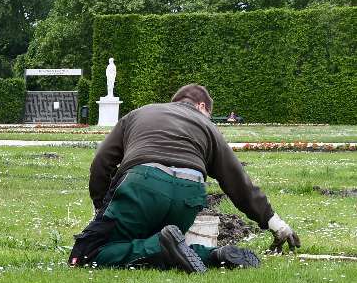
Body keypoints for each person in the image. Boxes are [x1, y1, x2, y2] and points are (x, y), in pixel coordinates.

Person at [71, 84, 299, 273]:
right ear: (202, 106)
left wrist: (101, 208)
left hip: (142, 184)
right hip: (189, 194)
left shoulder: (140, 113)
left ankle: (160, 246)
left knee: (87, 253)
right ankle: (214, 255)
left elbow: (102, 161)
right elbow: (237, 181)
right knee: (161, 237)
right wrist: (276, 224)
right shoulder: (208, 127)